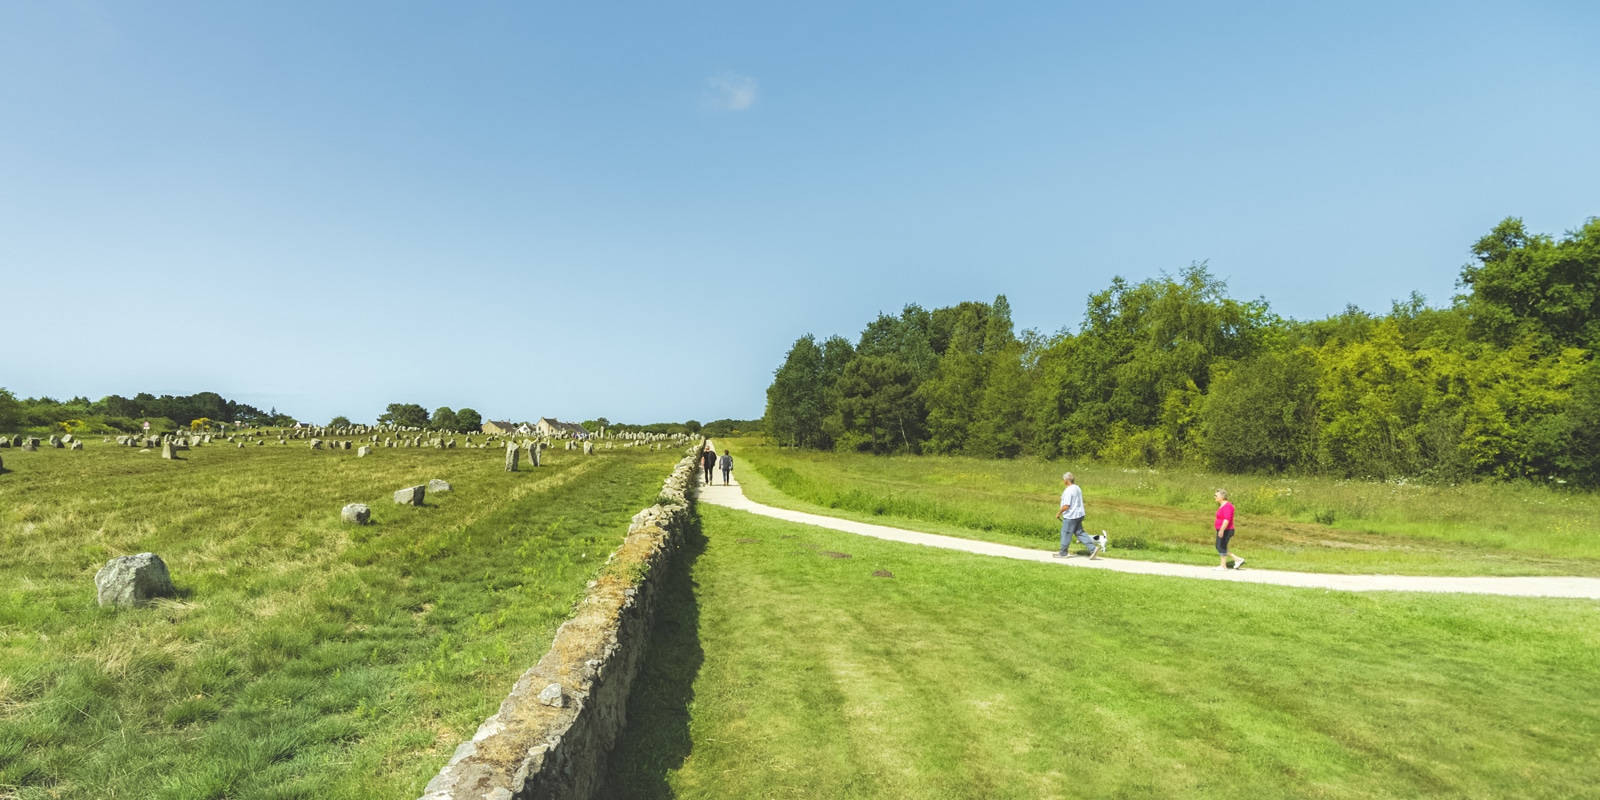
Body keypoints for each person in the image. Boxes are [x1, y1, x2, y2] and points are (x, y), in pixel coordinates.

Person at [1054, 472, 1102, 559]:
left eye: (1063, 480)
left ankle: (1063, 553)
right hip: (1079, 514)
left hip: (1071, 516)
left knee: (1066, 533)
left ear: (1066, 480)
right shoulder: (1077, 488)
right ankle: (1093, 549)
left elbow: (1066, 505)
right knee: (1080, 533)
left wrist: (1059, 513)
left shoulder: (1068, 491)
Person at [1214, 489, 1244, 570]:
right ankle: (1237, 559)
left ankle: (1223, 566)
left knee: (1221, 546)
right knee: (1218, 546)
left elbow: (1227, 519)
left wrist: (1222, 530)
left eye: (1216, 496)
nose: (1214, 497)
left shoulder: (1228, 506)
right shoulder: (1222, 505)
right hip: (1221, 529)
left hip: (1226, 530)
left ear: (1222, 497)